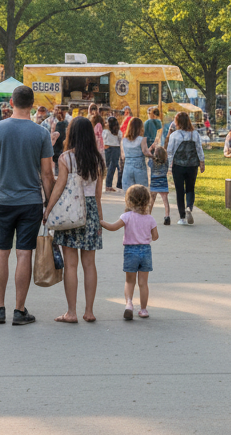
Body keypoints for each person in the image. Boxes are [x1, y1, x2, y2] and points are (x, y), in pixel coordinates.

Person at [0, 84, 55, 327]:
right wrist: (49, 203)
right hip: (31, 201)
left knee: (1, 251)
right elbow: (47, 173)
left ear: (11, 103)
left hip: (3, 200)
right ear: (32, 105)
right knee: (25, 253)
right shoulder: (41, 133)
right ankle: (19, 310)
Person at [46, 116, 104, 324]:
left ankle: (71, 312)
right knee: (89, 264)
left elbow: (59, 187)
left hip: (70, 211)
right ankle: (89, 311)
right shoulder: (97, 159)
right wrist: (99, 220)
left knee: (71, 265)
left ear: (71, 134)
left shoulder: (66, 158)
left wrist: (48, 210)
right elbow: (97, 195)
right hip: (89, 211)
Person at [100, 184, 159, 319]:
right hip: (145, 251)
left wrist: (102, 222)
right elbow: (155, 237)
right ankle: (143, 310)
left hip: (130, 251)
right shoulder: (150, 218)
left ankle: (129, 304)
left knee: (129, 281)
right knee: (143, 283)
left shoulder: (126, 216)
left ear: (129, 200)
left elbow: (113, 227)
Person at [166, 111, 205, 225]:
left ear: (177, 122)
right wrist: (201, 162)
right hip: (192, 165)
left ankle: (182, 217)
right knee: (190, 188)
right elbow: (199, 149)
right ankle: (189, 207)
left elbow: (170, 151)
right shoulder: (195, 134)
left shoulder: (175, 135)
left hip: (178, 166)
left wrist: (169, 167)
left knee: (179, 191)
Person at [121, 116, 152, 190]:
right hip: (139, 165)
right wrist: (153, 156)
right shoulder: (142, 139)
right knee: (141, 190)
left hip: (127, 165)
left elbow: (123, 156)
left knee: (129, 191)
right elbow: (145, 152)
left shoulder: (124, 140)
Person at [148, 144, 171, 225]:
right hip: (163, 181)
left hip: (154, 182)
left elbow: (149, 164)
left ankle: (148, 216)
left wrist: (150, 149)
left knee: (152, 200)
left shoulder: (152, 161)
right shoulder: (166, 160)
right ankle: (167, 216)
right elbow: (167, 168)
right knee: (165, 200)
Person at [103, 116, 122, 191]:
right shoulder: (118, 132)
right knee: (111, 167)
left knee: (110, 167)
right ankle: (108, 185)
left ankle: (108, 185)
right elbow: (120, 140)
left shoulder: (106, 132)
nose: (106, 123)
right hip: (114, 148)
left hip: (110, 148)